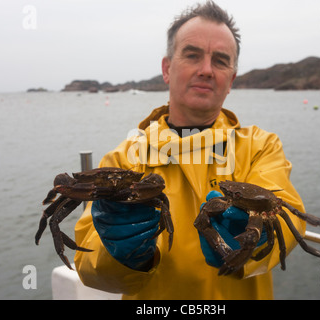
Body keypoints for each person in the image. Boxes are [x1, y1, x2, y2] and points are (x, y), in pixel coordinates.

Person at [74, 1, 306, 300]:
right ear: (167, 68)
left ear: (231, 79)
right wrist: (117, 255)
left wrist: (259, 239)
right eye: (192, 55)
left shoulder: (260, 146)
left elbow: (289, 214)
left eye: (221, 61)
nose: (206, 70)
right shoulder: (125, 159)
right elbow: (88, 264)